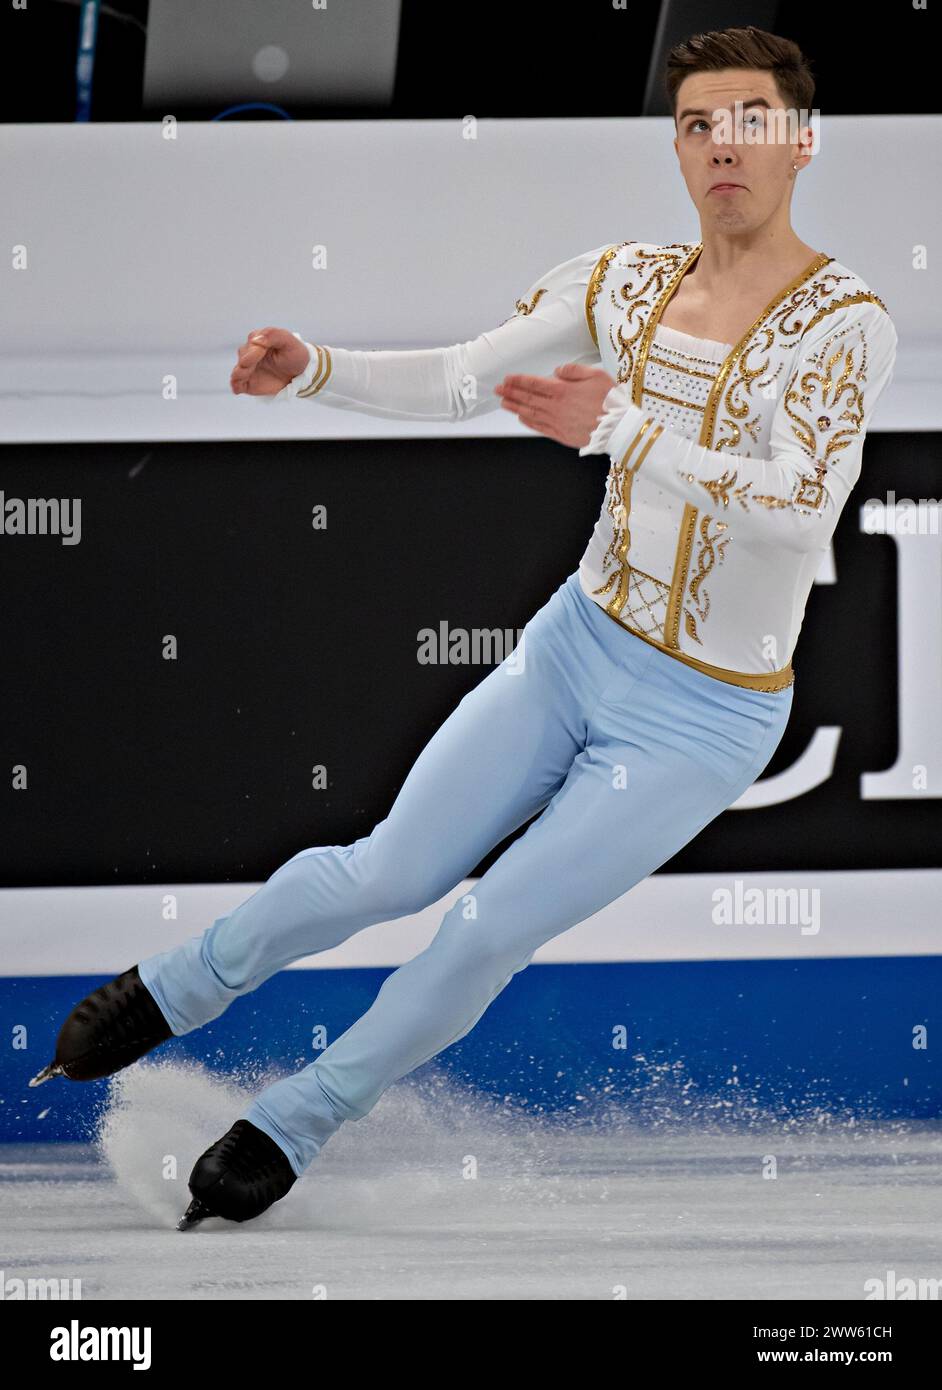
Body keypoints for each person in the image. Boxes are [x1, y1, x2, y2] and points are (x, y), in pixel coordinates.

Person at [33, 26, 897, 1229]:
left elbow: (804, 512)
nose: (721, 146)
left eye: (750, 119)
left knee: (482, 930)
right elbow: (457, 377)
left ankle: (295, 1119)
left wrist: (626, 430)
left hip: (706, 716)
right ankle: (174, 985)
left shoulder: (846, 324)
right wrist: (314, 368)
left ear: (802, 141)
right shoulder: (624, 282)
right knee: (386, 868)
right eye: (698, 123)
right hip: (574, 646)